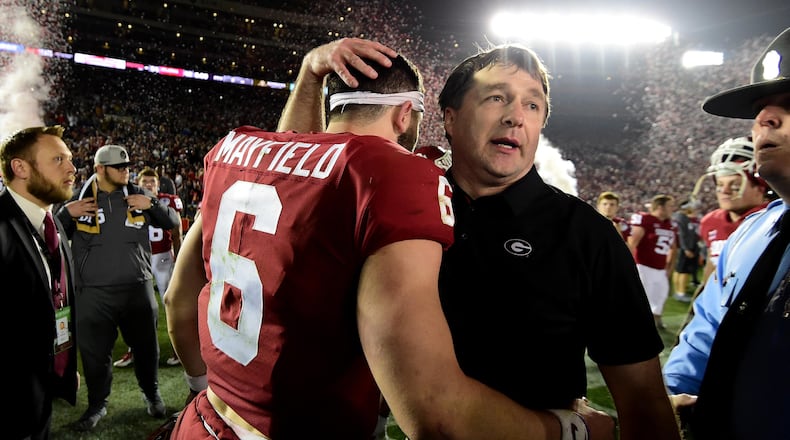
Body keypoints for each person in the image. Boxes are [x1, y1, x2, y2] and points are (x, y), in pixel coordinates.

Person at [166, 47, 615, 440]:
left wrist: (310, 72)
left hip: (204, 417)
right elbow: (436, 416)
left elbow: (178, 301)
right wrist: (572, 429)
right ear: (405, 114)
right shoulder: (395, 174)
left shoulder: (235, 150)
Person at [279, 38, 680, 440]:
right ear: (450, 118)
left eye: (533, 105)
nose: (515, 117)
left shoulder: (586, 235)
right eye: (496, 98)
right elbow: (299, 176)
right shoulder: (399, 198)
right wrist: (311, 74)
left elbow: (644, 401)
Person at [663, 26, 790, 439]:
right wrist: (671, 397)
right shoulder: (751, 233)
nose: (764, 119)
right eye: (761, 108)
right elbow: (703, 336)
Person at [57, 144, 180, 431]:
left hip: (137, 288)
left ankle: (152, 395)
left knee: (146, 348)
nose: (126, 171)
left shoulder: (140, 195)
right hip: (93, 292)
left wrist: (152, 205)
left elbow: (172, 221)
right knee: (95, 355)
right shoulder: (78, 199)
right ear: (100, 169)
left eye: (127, 166)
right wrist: (64, 214)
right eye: (119, 167)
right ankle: (96, 405)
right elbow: (50, 236)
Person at [1, 125, 80, 440]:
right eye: (58, 159)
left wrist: (64, 364)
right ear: (20, 168)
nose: (72, 168)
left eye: (70, 159)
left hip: (43, 387)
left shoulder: (53, 223)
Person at [114, 167, 184, 368]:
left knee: (171, 303)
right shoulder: (130, 199)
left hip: (163, 258)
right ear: (138, 183)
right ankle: (134, 351)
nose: (148, 185)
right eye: (145, 182)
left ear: (158, 185)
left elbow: (177, 231)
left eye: (152, 182)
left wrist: (179, 258)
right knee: (136, 306)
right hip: (139, 258)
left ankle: (179, 350)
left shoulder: (168, 201)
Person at [694, 136, 771, 285]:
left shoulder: (776, 220)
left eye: (735, 185)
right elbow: (712, 267)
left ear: (761, 187)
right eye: (720, 184)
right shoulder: (711, 221)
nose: (725, 191)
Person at [628, 194, 678, 330]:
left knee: (661, 295)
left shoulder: (671, 224)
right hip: (643, 266)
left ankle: (656, 321)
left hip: (660, 268)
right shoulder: (645, 219)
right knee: (643, 298)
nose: (673, 209)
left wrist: (669, 267)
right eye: (670, 206)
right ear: (660, 207)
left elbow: (673, 248)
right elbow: (632, 243)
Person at [671, 200, 701, 302]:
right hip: (684, 248)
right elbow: (682, 235)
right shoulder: (681, 218)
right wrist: (686, 248)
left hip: (682, 247)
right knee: (684, 270)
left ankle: (678, 290)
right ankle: (681, 292)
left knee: (679, 270)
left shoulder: (680, 217)